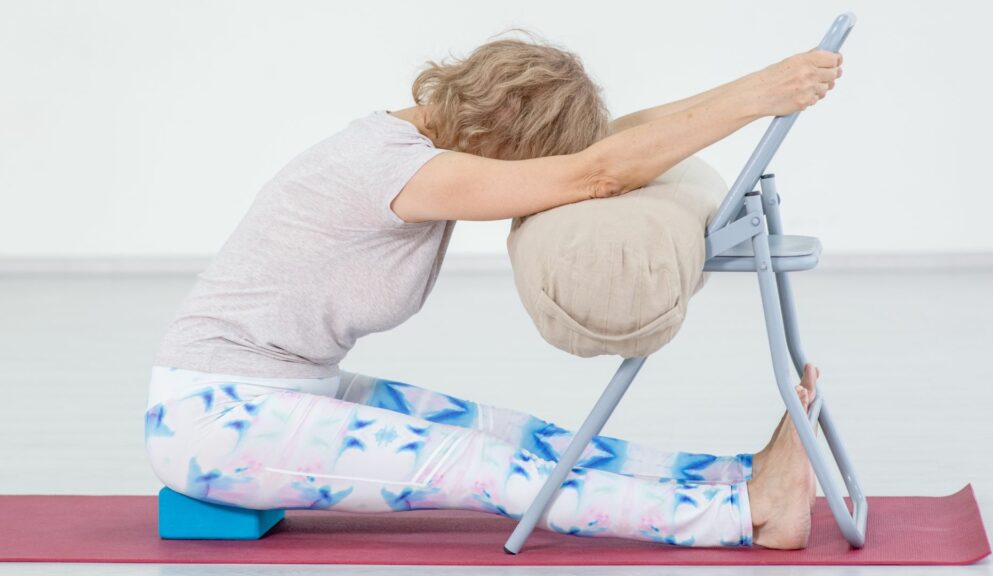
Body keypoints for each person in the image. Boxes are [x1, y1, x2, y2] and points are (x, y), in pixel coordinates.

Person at [146, 32, 841, 550]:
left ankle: (734, 474)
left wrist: (758, 88)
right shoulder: (396, 170)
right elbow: (594, 173)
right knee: (486, 465)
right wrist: (762, 97)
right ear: (507, 136)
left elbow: (608, 143)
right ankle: (745, 514)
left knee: (516, 434)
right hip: (213, 420)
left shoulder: (415, 143)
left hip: (292, 389)